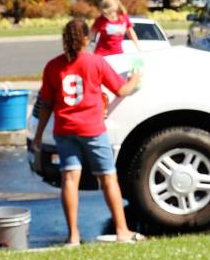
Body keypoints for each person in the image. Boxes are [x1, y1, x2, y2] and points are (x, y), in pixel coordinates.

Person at [35, 18, 144, 246]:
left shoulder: (52, 66)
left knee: (69, 180)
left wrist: (38, 135)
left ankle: (73, 236)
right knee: (108, 178)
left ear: (65, 39)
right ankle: (122, 230)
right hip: (93, 129)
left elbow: (45, 104)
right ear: (87, 38)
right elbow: (121, 89)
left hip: (64, 129)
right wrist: (134, 78)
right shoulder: (96, 62)